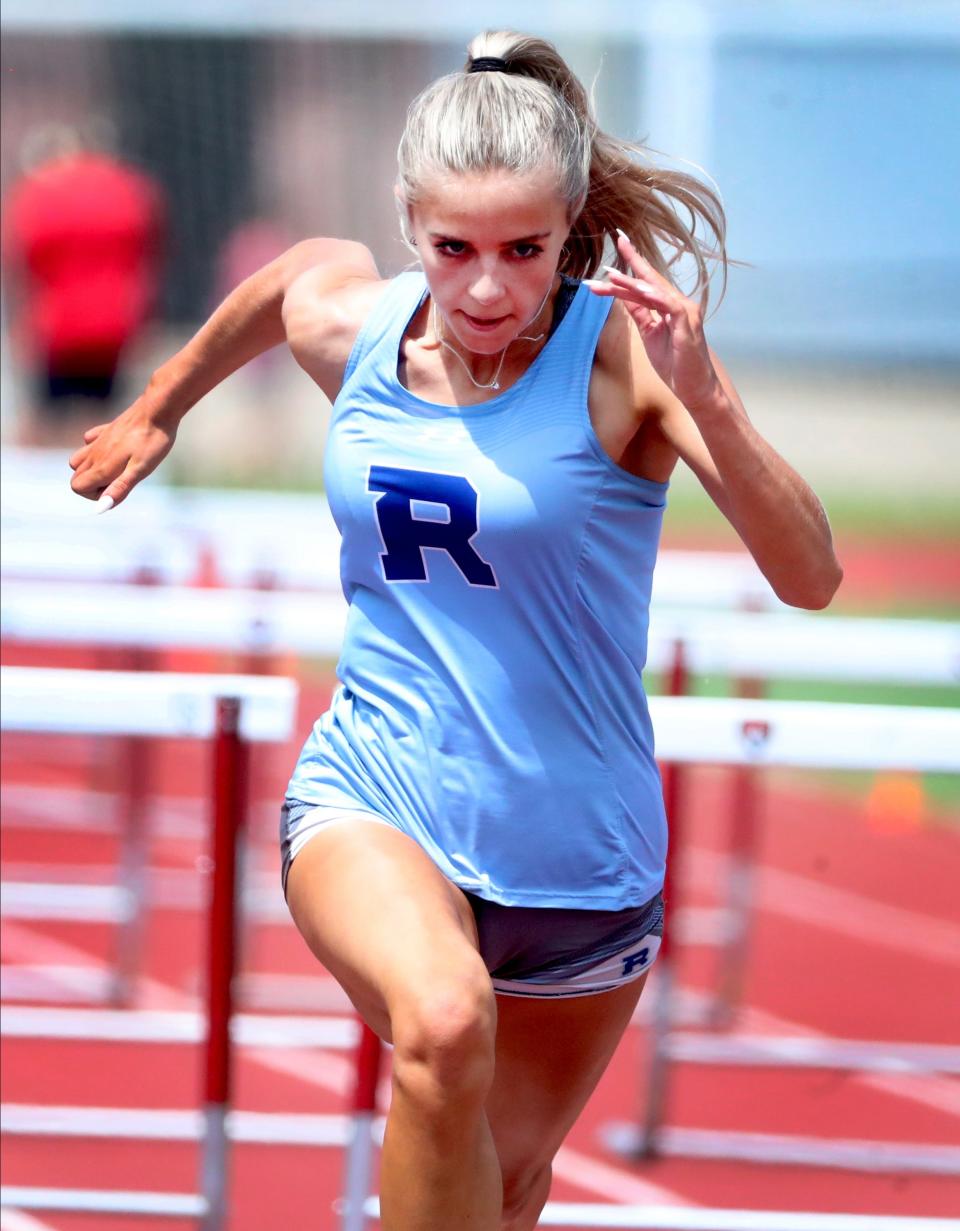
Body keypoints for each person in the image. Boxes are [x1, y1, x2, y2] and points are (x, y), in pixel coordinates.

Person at [69, 30, 842, 1231]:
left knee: (499, 1186)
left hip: (580, 855)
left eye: (524, 251)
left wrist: (710, 395)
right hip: (377, 793)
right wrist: (157, 408)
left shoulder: (622, 361)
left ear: (571, 224)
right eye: (454, 249)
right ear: (409, 225)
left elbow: (812, 575)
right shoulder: (361, 324)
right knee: (438, 1024)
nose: (486, 289)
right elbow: (281, 289)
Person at [2, 124, 164, 445]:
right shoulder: (128, 190)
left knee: (45, 418)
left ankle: (35, 487)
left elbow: (21, 256)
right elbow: (149, 252)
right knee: (104, 419)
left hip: (57, 326)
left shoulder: (41, 194)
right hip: (113, 324)